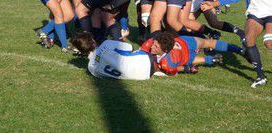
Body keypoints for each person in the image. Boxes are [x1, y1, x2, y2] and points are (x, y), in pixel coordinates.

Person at [71, 31, 240, 79]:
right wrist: (122, 36)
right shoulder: (106, 44)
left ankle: (199, 62)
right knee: (182, 51)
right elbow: (128, 48)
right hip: (146, 60)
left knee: (169, 64)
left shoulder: (91, 69)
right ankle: (238, 50)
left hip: (145, 75)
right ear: (93, 42)